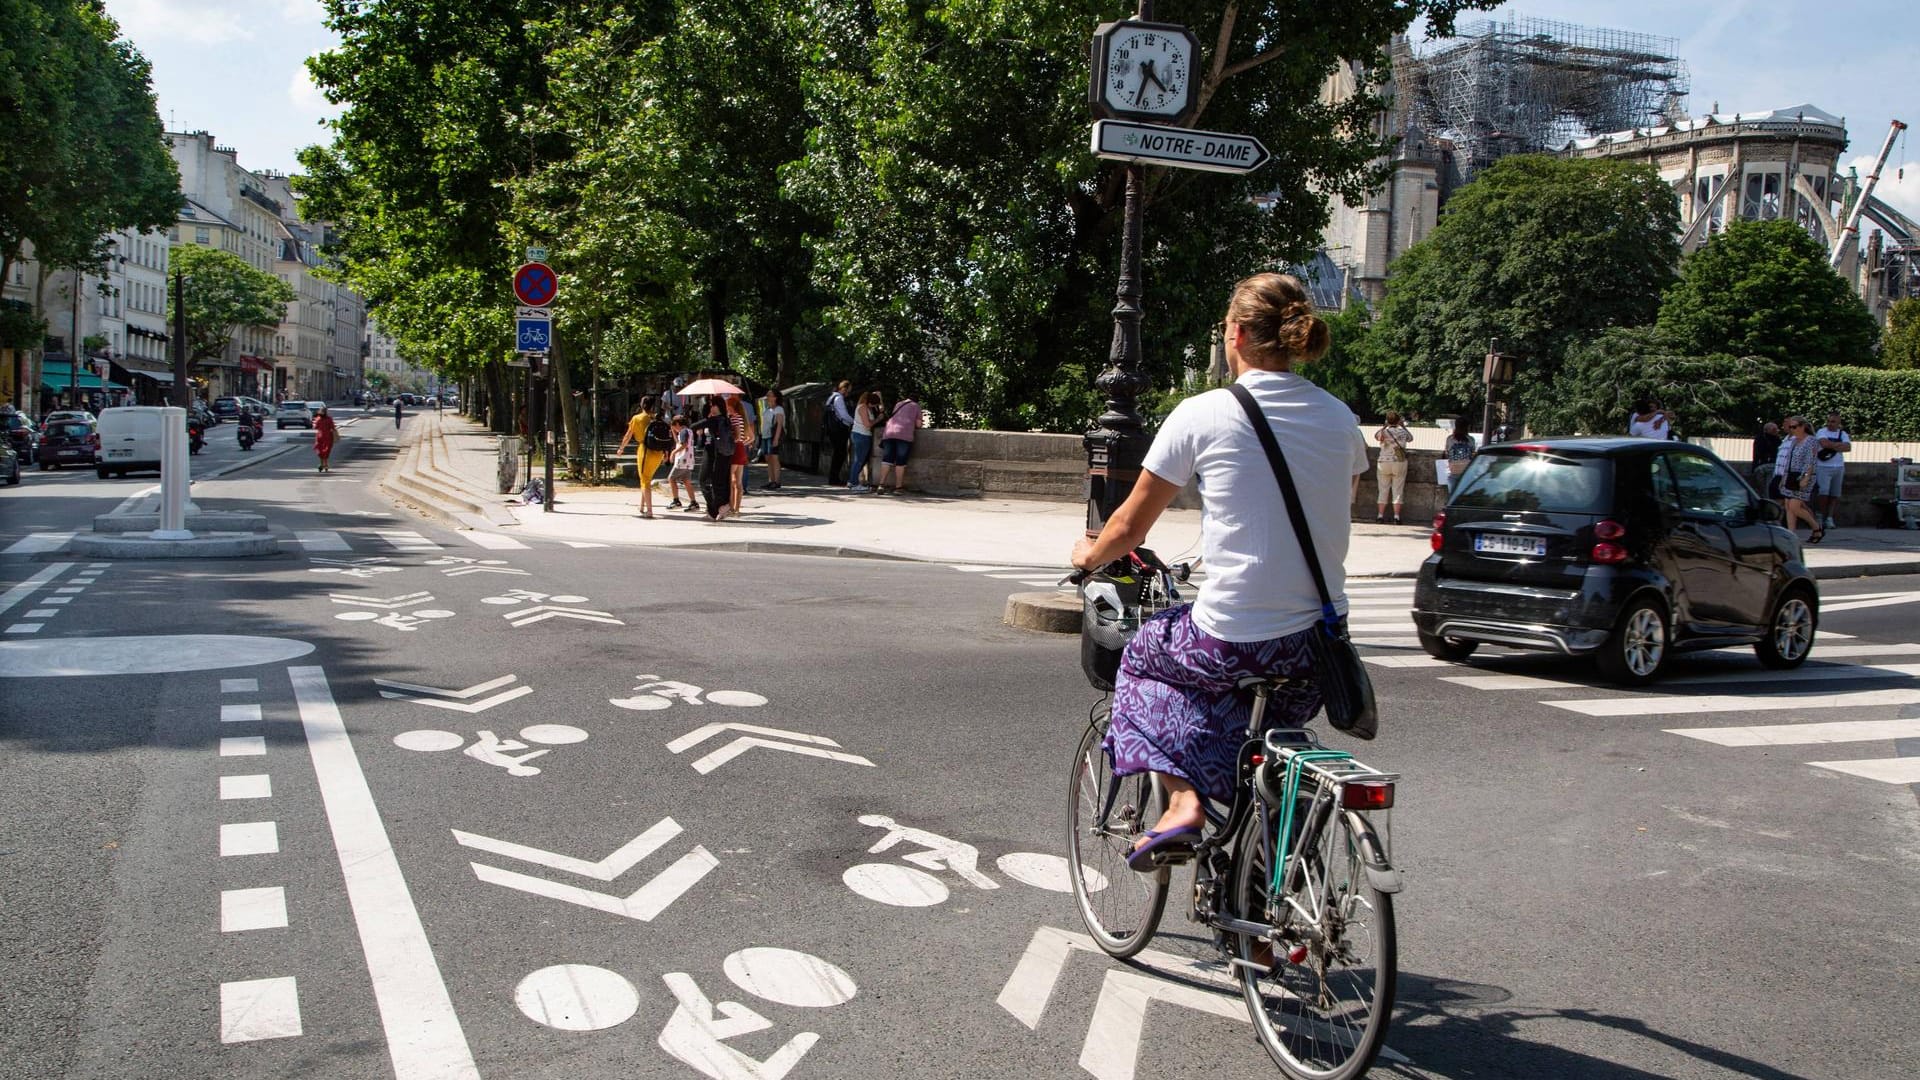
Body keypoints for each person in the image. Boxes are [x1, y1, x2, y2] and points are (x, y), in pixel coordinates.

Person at [1070, 272, 1367, 865]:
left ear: (1234, 334)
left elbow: (1128, 528)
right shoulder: (1340, 418)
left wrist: (1085, 556)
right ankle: (1259, 916)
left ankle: (1182, 803)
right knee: (1260, 747)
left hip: (1234, 636)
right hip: (1317, 644)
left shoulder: (1205, 412)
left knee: (1144, 656)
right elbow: (1330, 508)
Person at [613, 394, 670, 518]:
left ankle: (649, 511)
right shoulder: (656, 418)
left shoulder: (637, 418)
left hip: (645, 451)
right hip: (658, 453)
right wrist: (666, 453)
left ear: (642, 405)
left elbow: (628, 435)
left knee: (645, 481)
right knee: (646, 479)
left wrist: (621, 448)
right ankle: (642, 505)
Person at [688, 399, 735, 521]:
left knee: (709, 482)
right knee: (712, 482)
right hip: (717, 453)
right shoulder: (721, 420)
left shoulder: (717, 420)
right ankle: (716, 509)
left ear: (719, 407)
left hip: (716, 454)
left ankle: (719, 507)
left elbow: (693, 426)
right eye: (710, 406)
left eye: (713, 406)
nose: (711, 408)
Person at [1780, 415, 1823, 542]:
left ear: (1803, 426)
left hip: (1803, 475)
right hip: (1790, 475)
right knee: (1788, 505)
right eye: (1790, 427)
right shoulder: (1793, 441)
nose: (1792, 429)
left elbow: (1810, 461)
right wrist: (1784, 477)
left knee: (1795, 506)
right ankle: (1791, 535)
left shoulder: (1811, 441)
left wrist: (1805, 477)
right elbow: (1788, 460)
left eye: (1794, 427)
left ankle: (1816, 528)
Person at [1812, 411, 1851, 530]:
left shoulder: (1843, 433)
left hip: (1838, 467)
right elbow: (1824, 444)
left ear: (1838, 422)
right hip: (1823, 467)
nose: (1830, 424)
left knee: (1834, 494)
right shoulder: (1822, 431)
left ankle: (1829, 518)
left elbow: (1848, 447)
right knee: (1823, 492)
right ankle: (1820, 516)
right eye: (1828, 421)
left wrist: (1832, 444)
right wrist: (1839, 445)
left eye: (1833, 421)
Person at [877, 392, 922, 494]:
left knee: (886, 460)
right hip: (904, 435)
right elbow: (918, 425)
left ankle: (881, 485)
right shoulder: (916, 406)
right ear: (917, 400)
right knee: (900, 462)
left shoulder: (899, 404)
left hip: (889, 433)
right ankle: (898, 488)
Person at [1372, 411, 1412, 524]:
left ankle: (1380, 516)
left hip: (1384, 462)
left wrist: (1385, 425)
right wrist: (1403, 426)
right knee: (1398, 489)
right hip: (1399, 462)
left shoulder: (1384, 432)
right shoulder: (1402, 432)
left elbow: (1376, 436)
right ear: (1398, 420)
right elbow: (1410, 438)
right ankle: (1396, 517)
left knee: (1383, 489)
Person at [850, 390, 882, 492]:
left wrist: (880, 397)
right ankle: (854, 483)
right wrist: (878, 420)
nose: (874, 407)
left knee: (860, 460)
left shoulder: (866, 406)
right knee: (859, 461)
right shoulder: (863, 407)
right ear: (869, 403)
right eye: (873, 405)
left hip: (863, 435)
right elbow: (867, 424)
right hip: (861, 435)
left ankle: (852, 481)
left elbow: (881, 407)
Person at [825, 379, 855, 485]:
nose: (849, 393)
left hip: (832, 429)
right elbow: (843, 415)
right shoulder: (839, 398)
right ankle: (834, 479)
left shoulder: (831, 397)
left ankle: (833, 478)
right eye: (848, 390)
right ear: (844, 389)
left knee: (838, 454)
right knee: (840, 454)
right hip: (839, 429)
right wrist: (854, 421)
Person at [666, 414, 698, 512]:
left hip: (682, 460)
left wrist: (673, 452)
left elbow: (683, 445)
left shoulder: (683, 431)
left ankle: (676, 501)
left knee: (671, 478)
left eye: (675, 426)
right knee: (686, 481)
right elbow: (678, 442)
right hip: (689, 460)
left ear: (678, 424)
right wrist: (673, 431)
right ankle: (693, 502)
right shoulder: (689, 431)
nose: (675, 429)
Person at [726, 396, 751, 514]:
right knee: (738, 482)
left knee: (730, 481)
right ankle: (737, 509)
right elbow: (749, 437)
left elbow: (735, 434)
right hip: (741, 449)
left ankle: (731, 507)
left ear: (731, 407)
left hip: (734, 449)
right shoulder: (742, 418)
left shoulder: (733, 418)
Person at [1443, 417, 1476, 493]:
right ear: (1467, 427)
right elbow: (1473, 453)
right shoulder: (1471, 439)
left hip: (1453, 471)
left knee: (1452, 496)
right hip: (1466, 472)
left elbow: (1447, 453)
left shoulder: (1450, 439)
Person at [762, 388, 786, 490]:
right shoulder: (767, 409)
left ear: (775, 397)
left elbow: (779, 425)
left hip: (773, 436)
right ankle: (771, 480)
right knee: (768, 458)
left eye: (769, 395)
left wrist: (776, 439)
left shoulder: (779, 409)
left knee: (774, 458)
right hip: (765, 435)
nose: (767, 397)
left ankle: (776, 481)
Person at [1750, 421, 1782, 497]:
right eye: (1774, 429)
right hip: (1768, 465)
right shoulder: (1776, 440)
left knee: (1765, 487)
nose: (1776, 431)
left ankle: (1766, 497)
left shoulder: (1759, 438)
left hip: (1761, 466)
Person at [313, 405, 338, 473]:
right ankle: (325, 464)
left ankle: (322, 464)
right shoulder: (329, 419)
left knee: (320, 450)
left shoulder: (318, 419)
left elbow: (315, 427)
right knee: (326, 451)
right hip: (328, 436)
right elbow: (332, 427)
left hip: (320, 436)